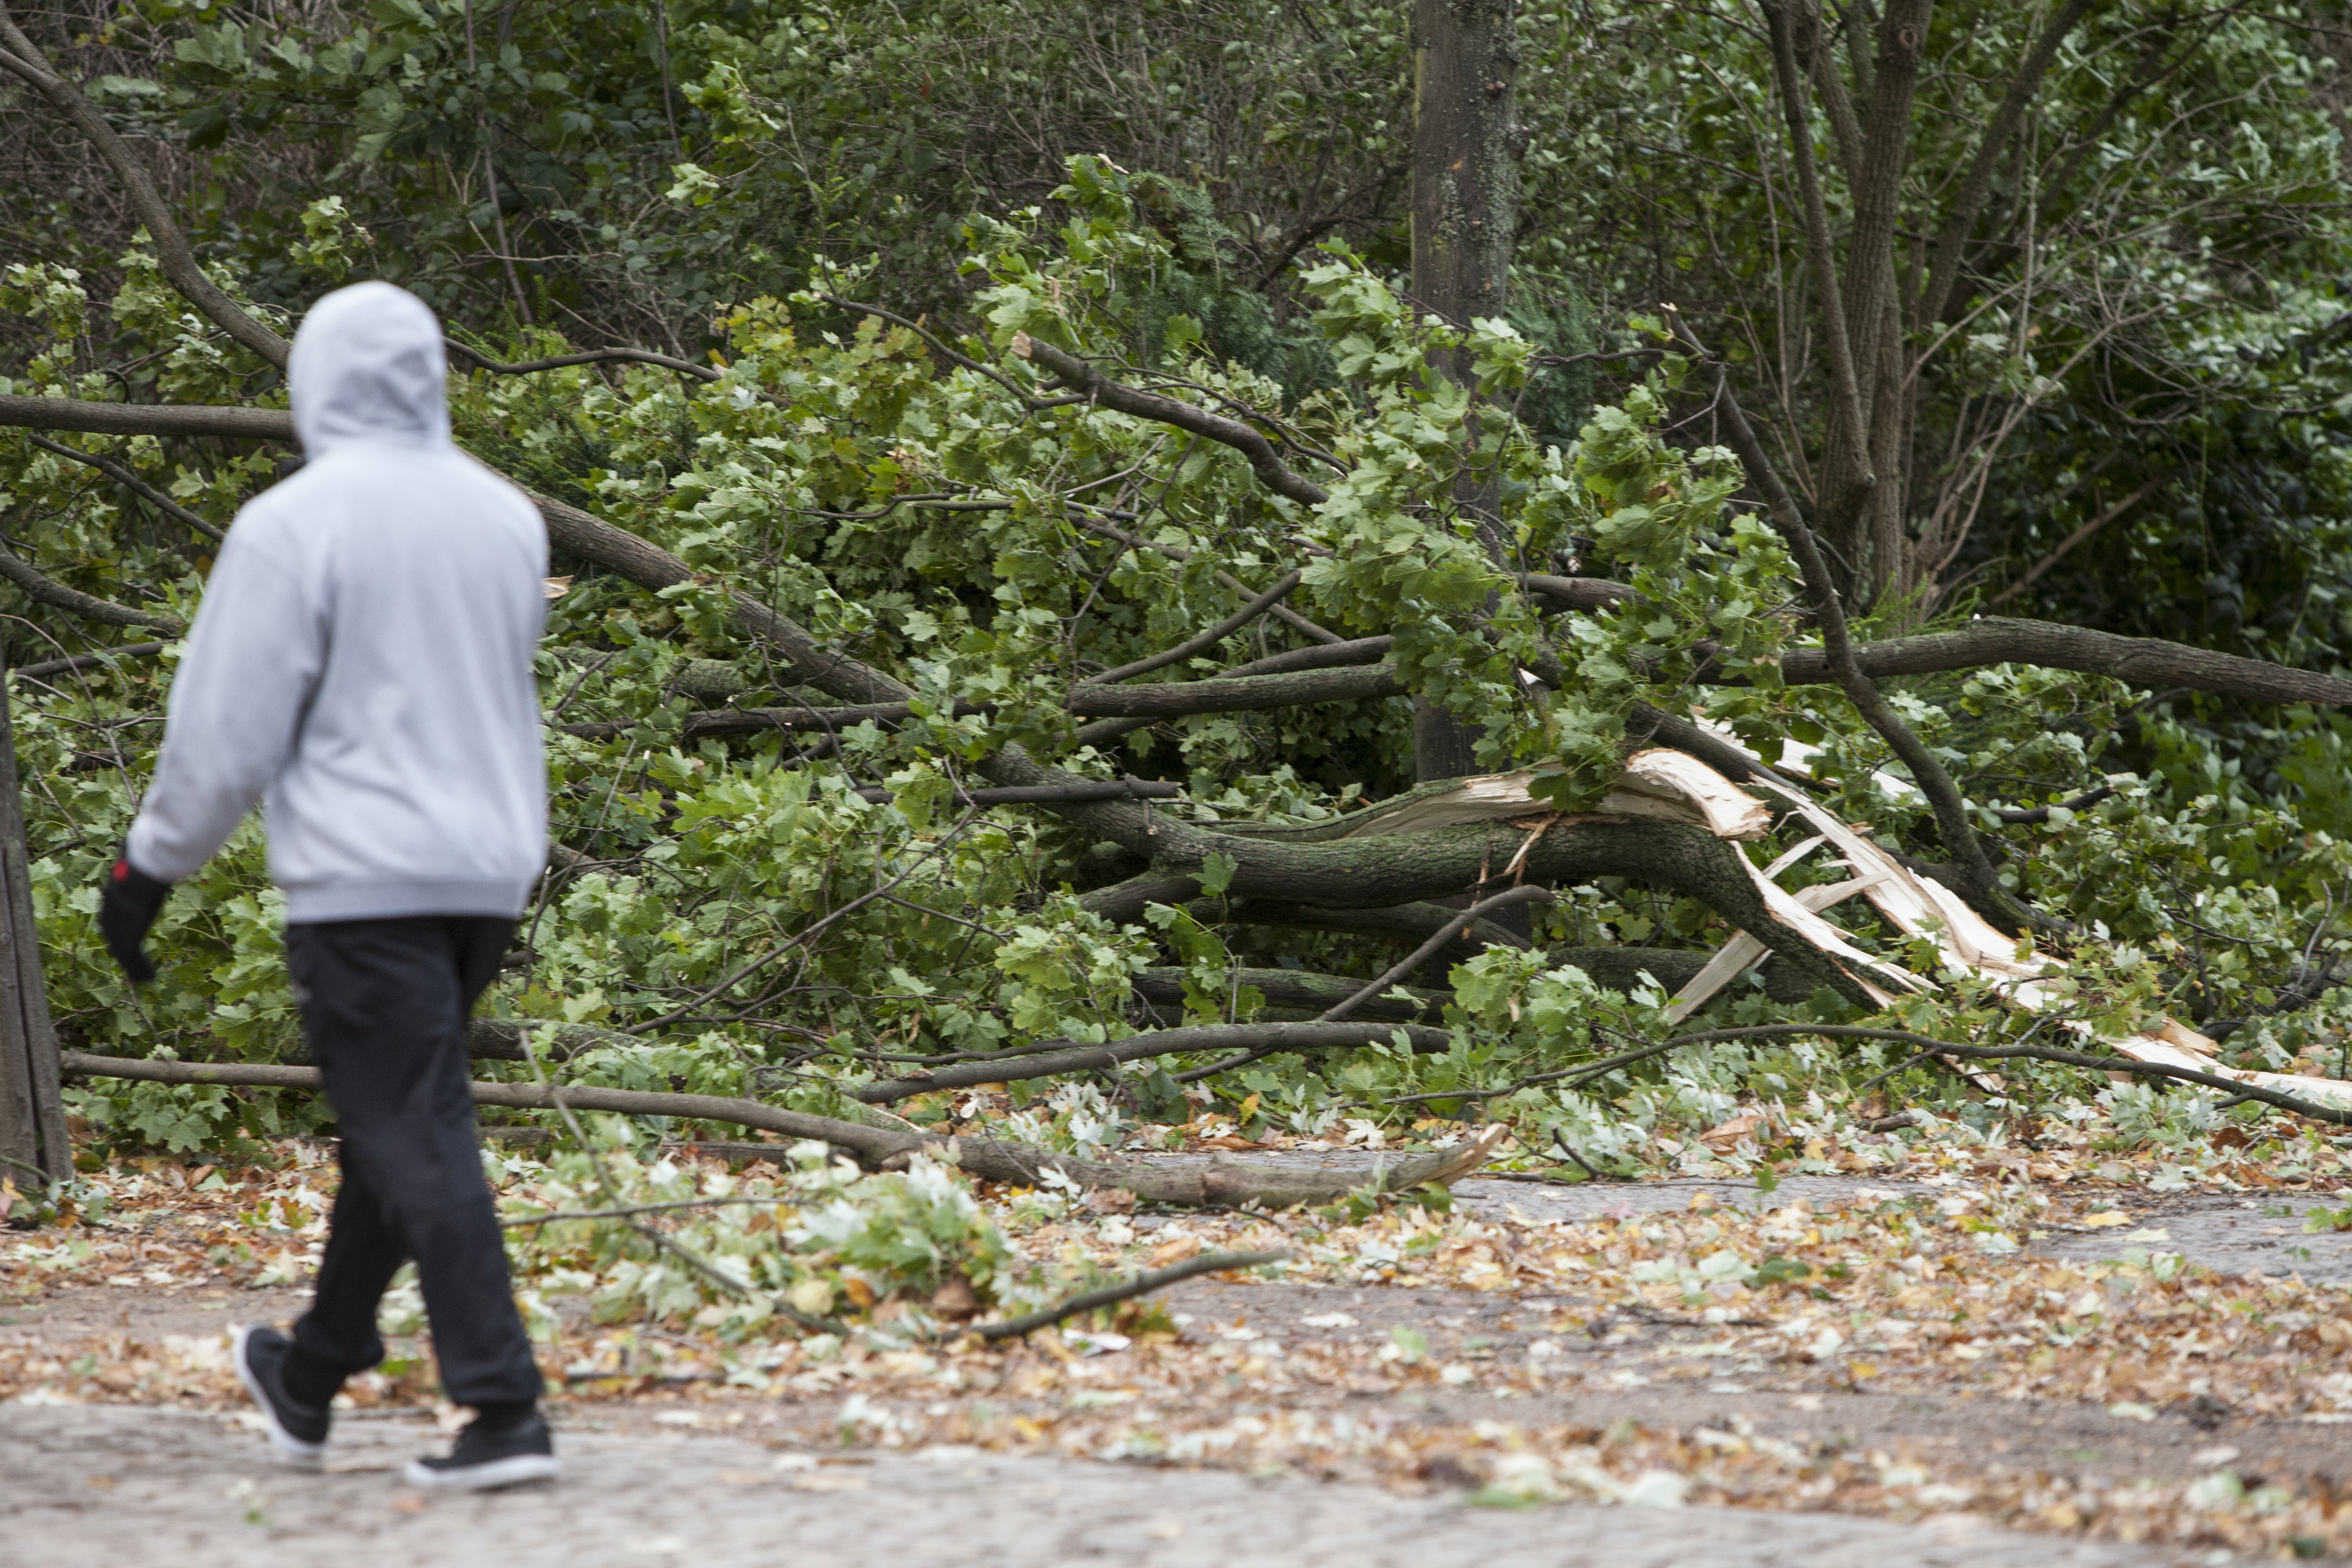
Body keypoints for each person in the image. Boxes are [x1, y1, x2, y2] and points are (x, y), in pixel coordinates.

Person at [95, 280, 558, 1492]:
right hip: (490, 873)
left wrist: (151, 862)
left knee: (412, 1123)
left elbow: (226, 730)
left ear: (314, 379)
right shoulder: (506, 517)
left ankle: (503, 1408)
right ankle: (311, 1373)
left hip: (366, 878)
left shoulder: (295, 525)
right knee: (395, 1126)